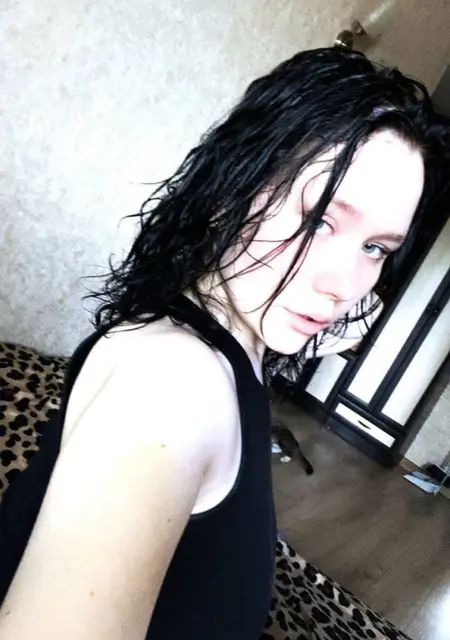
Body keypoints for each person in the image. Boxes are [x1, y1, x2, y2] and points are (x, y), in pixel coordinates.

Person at [0, 47, 448, 640]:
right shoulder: (173, 382)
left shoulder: (236, 342)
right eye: (319, 219)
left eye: (375, 249)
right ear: (232, 189)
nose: (343, 287)